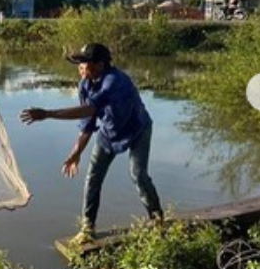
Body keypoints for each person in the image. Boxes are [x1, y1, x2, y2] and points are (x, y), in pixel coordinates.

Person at [19, 43, 163, 245]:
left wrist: (48, 114)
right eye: (78, 64)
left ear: (100, 65)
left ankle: (157, 219)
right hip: (108, 133)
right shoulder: (84, 85)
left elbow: (88, 110)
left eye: (83, 63)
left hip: (137, 129)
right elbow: (88, 124)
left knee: (138, 174)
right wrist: (76, 153)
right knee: (93, 177)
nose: (79, 68)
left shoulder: (115, 81)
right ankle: (88, 227)